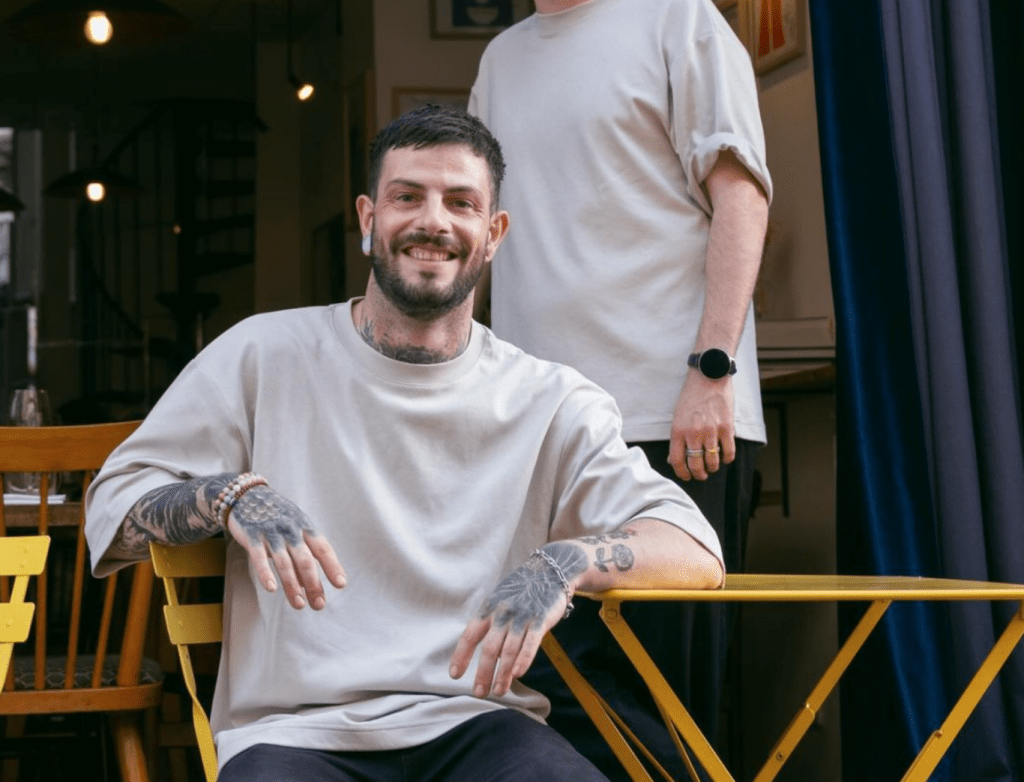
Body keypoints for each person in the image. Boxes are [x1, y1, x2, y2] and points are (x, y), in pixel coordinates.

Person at [85, 104, 725, 782]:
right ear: (368, 220)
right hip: (296, 733)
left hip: (481, 725)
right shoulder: (260, 355)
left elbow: (695, 546)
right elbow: (112, 506)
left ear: (493, 232)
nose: (433, 222)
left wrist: (564, 563)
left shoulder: (552, 400)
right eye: (407, 197)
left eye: (461, 203)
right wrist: (224, 497)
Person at [468, 0, 772, 776]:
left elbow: (741, 196)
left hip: (674, 414)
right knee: (564, 706)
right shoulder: (499, 61)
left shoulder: (676, 15)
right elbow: (486, 247)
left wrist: (711, 371)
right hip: (540, 434)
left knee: (667, 712)